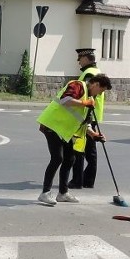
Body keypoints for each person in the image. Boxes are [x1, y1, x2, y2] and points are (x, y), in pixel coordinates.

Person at [36, 74, 112, 205]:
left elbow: (83, 122)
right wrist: (84, 103)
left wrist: (94, 134)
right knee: (57, 158)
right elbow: (65, 100)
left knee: (70, 159)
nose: (100, 94)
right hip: (52, 124)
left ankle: (63, 193)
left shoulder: (90, 98)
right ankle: (45, 193)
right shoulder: (78, 85)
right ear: (96, 84)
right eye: (101, 91)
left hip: (64, 131)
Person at [69, 48, 103, 189]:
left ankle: (79, 180)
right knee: (90, 150)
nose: (78, 62)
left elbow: (90, 94)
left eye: (80, 59)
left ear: (87, 59)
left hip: (87, 115)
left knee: (80, 149)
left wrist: (86, 116)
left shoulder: (89, 74)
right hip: (92, 115)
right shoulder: (97, 71)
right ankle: (87, 180)